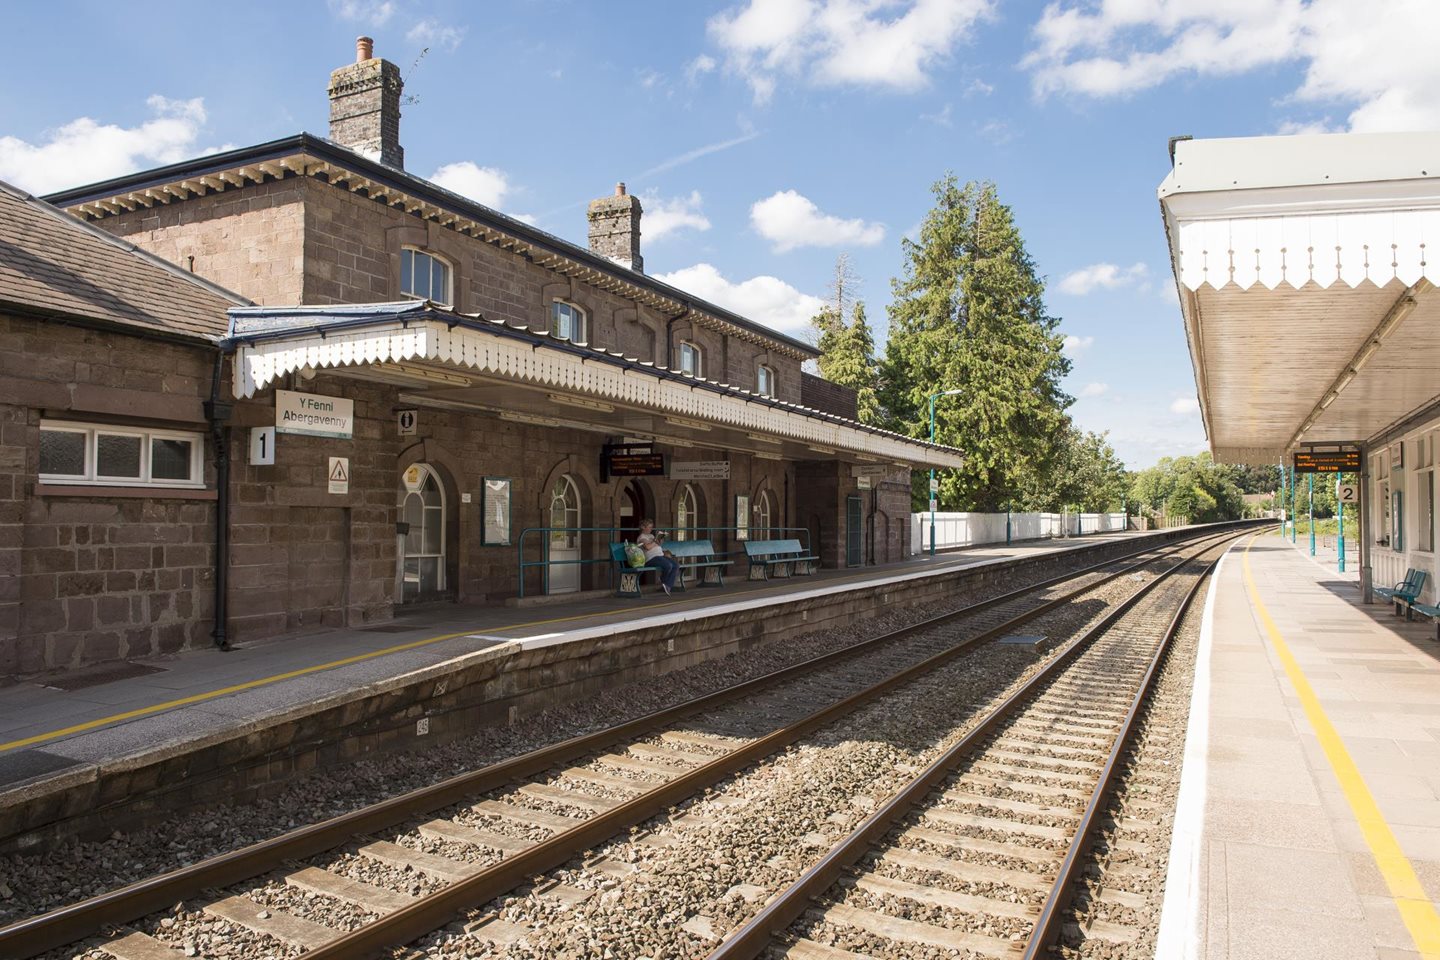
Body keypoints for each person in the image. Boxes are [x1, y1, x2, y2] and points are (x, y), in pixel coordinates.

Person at [636, 518, 679, 595]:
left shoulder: (651, 536)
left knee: (675, 565)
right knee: (668, 565)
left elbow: (657, 545)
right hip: (651, 558)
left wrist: (660, 539)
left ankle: (668, 586)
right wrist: (655, 541)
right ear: (643, 527)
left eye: (651, 527)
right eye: (649, 527)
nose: (651, 529)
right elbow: (647, 547)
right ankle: (663, 580)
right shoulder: (641, 537)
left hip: (660, 556)